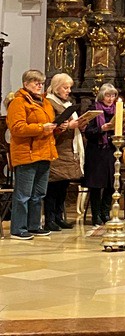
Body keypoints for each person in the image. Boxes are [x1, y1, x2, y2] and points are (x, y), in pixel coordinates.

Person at [6, 69, 57, 240]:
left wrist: (57, 127)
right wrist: (42, 128)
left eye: (41, 83)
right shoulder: (18, 102)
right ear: (26, 84)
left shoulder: (45, 103)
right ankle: (18, 229)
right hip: (26, 153)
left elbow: (48, 124)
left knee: (38, 194)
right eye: (36, 82)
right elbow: (17, 128)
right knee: (23, 195)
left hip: (44, 152)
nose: (39, 86)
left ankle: (34, 226)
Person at [44, 73, 85, 231]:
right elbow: (52, 125)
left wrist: (80, 123)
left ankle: (59, 217)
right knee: (53, 186)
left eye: (69, 88)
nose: (68, 91)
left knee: (63, 185)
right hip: (57, 148)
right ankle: (50, 219)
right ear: (56, 88)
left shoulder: (67, 103)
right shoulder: (50, 103)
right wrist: (69, 126)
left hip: (68, 149)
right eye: (65, 87)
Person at [83, 83, 118, 226]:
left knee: (111, 184)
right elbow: (88, 132)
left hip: (111, 151)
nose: (110, 99)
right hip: (96, 152)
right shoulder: (94, 110)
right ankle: (95, 214)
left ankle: (105, 213)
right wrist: (101, 129)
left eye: (113, 95)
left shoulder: (117, 110)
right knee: (96, 185)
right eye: (107, 95)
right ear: (102, 96)